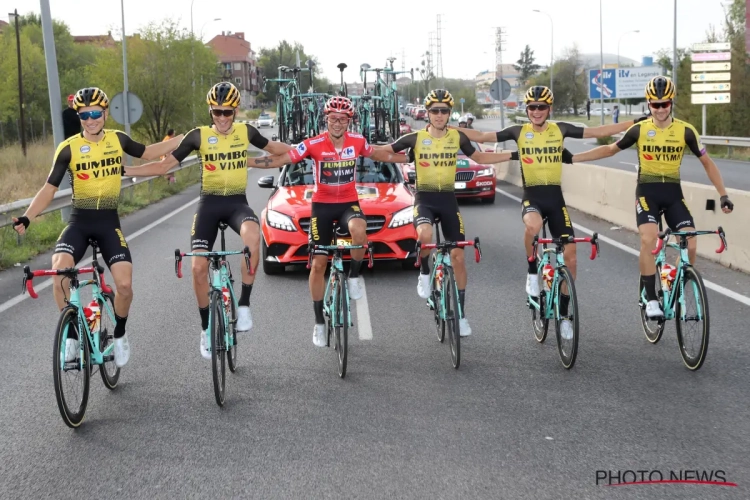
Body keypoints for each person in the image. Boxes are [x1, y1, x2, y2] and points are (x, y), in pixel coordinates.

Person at [12, 87, 183, 367]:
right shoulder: (68, 148)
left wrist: (185, 139)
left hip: (108, 223)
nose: (90, 120)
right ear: (78, 117)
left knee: (125, 286)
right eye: (84, 115)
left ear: (105, 114)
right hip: (79, 222)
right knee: (59, 271)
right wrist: (28, 217)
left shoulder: (118, 140)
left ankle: (120, 335)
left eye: (95, 114)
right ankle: (72, 337)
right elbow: (49, 188)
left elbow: (149, 152)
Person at [123, 82, 293, 359]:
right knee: (198, 268)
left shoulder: (246, 132)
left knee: (253, 239)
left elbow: (277, 150)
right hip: (209, 205)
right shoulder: (197, 136)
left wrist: (307, 149)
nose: (223, 118)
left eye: (227, 112)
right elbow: (165, 165)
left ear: (236, 110)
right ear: (210, 111)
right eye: (217, 112)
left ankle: (245, 305)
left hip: (237, 203)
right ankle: (205, 329)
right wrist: (128, 169)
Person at [458, 85, 643, 339]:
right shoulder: (518, 131)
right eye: (532, 107)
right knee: (533, 227)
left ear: (549, 109)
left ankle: (565, 315)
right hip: (532, 197)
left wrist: (633, 122)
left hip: (555, 199)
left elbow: (599, 131)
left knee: (571, 255)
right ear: (526, 109)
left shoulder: (561, 129)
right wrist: (446, 127)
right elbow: (480, 135)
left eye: (541, 107)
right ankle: (532, 269)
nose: (536, 111)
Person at [249, 96, 411, 347]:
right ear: (325, 119)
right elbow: (284, 159)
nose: (337, 123)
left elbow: (380, 154)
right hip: (321, 207)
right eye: (333, 118)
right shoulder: (313, 144)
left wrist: (408, 159)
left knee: (360, 230)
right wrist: (248, 162)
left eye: (342, 119)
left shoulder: (357, 141)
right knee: (318, 264)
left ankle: (354, 276)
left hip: (349, 203)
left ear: (349, 121)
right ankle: (318, 323)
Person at [571, 76, 734, 318]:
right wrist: (573, 158)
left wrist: (723, 195)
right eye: (655, 104)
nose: (659, 109)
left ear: (671, 103)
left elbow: (707, 164)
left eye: (664, 104)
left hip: (673, 194)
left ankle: (677, 283)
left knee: (691, 242)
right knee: (648, 240)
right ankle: (650, 298)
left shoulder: (686, 131)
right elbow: (609, 150)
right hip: (647, 193)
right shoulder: (639, 130)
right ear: (648, 104)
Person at [376, 89, 516, 337]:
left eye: (444, 111)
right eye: (435, 111)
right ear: (428, 114)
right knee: (426, 234)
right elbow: (384, 151)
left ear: (450, 114)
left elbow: (480, 155)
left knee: (459, 258)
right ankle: (424, 272)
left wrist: (513, 154)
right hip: (425, 199)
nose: (439, 115)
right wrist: (357, 148)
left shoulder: (457, 136)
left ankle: (461, 315)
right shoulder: (414, 138)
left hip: (449, 201)